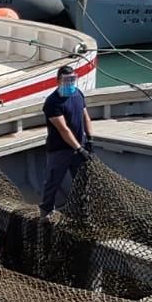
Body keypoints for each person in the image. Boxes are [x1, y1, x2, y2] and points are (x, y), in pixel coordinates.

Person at [41, 64, 91, 215]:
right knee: (53, 182)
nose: (70, 83)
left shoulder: (78, 94)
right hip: (60, 150)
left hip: (79, 147)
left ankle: (82, 211)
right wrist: (79, 148)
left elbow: (86, 117)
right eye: (66, 80)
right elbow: (63, 129)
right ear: (58, 80)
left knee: (82, 181)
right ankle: (46, 211)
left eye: (72, 79)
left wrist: (90, 139)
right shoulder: (52, 102)